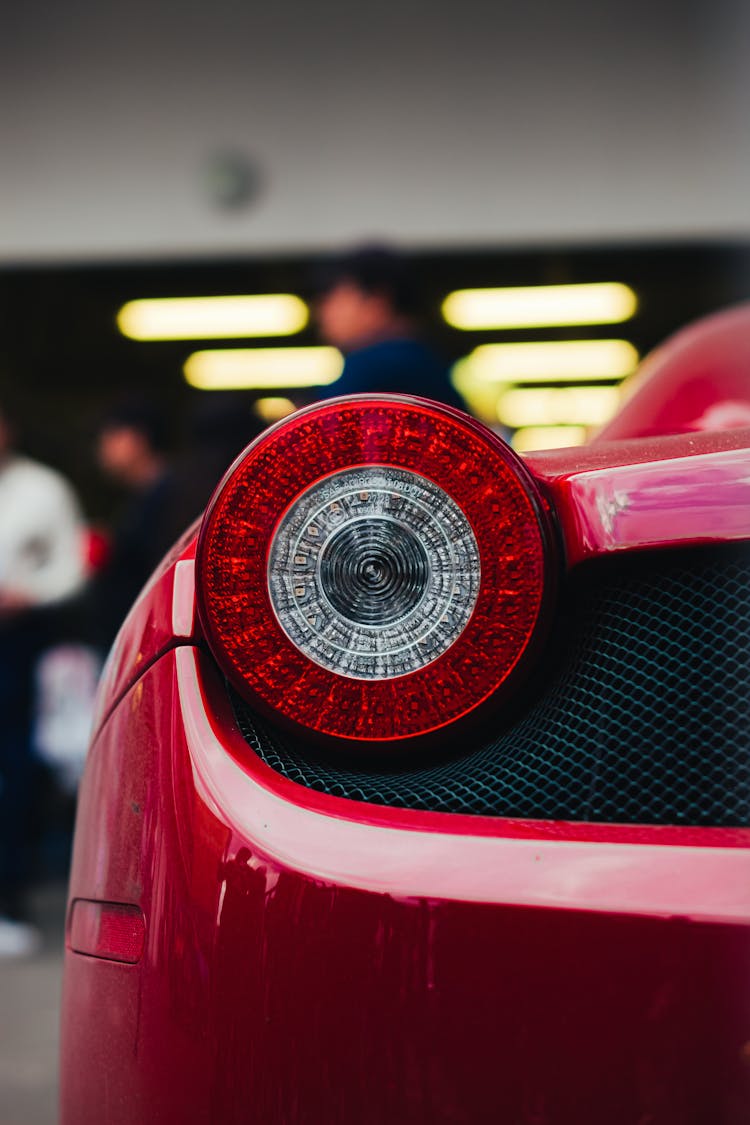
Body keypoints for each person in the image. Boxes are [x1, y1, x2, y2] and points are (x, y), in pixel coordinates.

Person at [0, 402, 86, 955]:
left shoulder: (43, 489)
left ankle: (8, 897)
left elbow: (70, 565)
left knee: (14, 766)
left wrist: (28, 596)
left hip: (17, 642)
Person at [313, 244, 467, 411]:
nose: (323, 312)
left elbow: (322, 423)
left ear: (376, 300)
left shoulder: (371, 366)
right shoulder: (427, 360)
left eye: (331, 299)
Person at [89, 397, 178, 648]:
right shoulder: (143, 498)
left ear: (137, 439)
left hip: (152, 641)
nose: (102, 449)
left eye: (110, 437)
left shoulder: (169, 499)